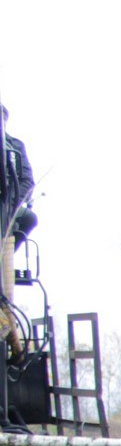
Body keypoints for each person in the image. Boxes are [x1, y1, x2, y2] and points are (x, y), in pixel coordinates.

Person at [1, 105, 34, 361]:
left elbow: (27, 182)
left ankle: (16, 347)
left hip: (5, 229)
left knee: (4, 296)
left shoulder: (14, 147)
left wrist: (10, 206)